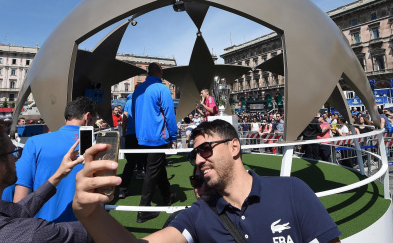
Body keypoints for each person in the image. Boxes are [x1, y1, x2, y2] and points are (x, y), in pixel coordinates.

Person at [73, 119, 341, 243]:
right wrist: (90, 214)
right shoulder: (197, 215)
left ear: (234, 146)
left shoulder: (291, 190)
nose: (199, 160)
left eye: (206, 149)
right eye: (194, 155)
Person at [13, 96, 97, 222]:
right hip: (84, 229)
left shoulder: (34, 143)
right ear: (87, 117)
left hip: (40, 230)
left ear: (66, 119)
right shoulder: (99, 147)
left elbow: (20, 198)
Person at [132, 62, 177, 223]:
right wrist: (174, 136)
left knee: (156, 167)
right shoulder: (162, 88)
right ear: (160, 71)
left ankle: (166, 196)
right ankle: (143, 210)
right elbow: (170, 114)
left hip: (142, 135)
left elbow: (133, 112)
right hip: (157, 136)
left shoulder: (138, 89)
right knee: (152, 171)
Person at [118, 93, 145, 199]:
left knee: (130, 163)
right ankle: (151, 187)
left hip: (130, 135)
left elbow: (125, 118)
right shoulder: (143, 101)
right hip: (142, 135)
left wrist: (123, 132)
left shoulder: (128, 103)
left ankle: (123, 190)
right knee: (147, 161)